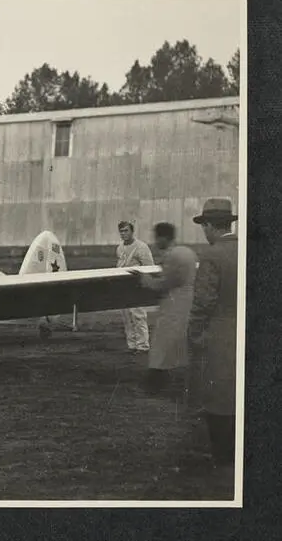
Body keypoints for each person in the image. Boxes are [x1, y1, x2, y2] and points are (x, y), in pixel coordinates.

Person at [187, 198, 239, 468]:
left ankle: (223, 457)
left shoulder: (212, 255)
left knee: (218, 397)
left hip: (219, 336)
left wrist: (194, 337)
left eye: (204, 226)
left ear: (209, 225)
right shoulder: (246, 251)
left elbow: (202, 304)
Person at [131, 222, 198, 395]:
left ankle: (154, 385)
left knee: (162, 345)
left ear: (163, 238)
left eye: (157, 238)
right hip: (187, 302)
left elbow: (164, 284)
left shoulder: (173, 255)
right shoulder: (187, 252)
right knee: (176, 344)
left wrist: (144, 280)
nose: (155, 242)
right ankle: (167, 380)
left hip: (172, 304)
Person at [116, 220, 155, 352]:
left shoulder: (141, 247)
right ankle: (132, 344)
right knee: (126, 316)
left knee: (138, 315)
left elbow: (149, 266)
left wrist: (144, 282)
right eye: (121, 231)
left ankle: (143, 345)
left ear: (132, 231)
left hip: (136, 284)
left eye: (126, 230)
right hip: (123, 284)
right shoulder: (120, 247)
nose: (123, 234)